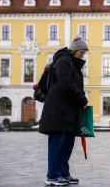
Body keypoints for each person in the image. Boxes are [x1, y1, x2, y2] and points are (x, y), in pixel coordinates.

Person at [39, 35, 89, 186]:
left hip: (68, 110)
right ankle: (52, 176)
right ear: (74, 50)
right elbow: (66, 84)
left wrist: (79, 99)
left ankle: (63, 173)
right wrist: (82, 99)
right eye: (81, 52)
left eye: (84, 52)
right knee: (57, 144)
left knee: (67, 143)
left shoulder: (72, 63)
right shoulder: (63, 61)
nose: (83, 55)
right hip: (57, 110)